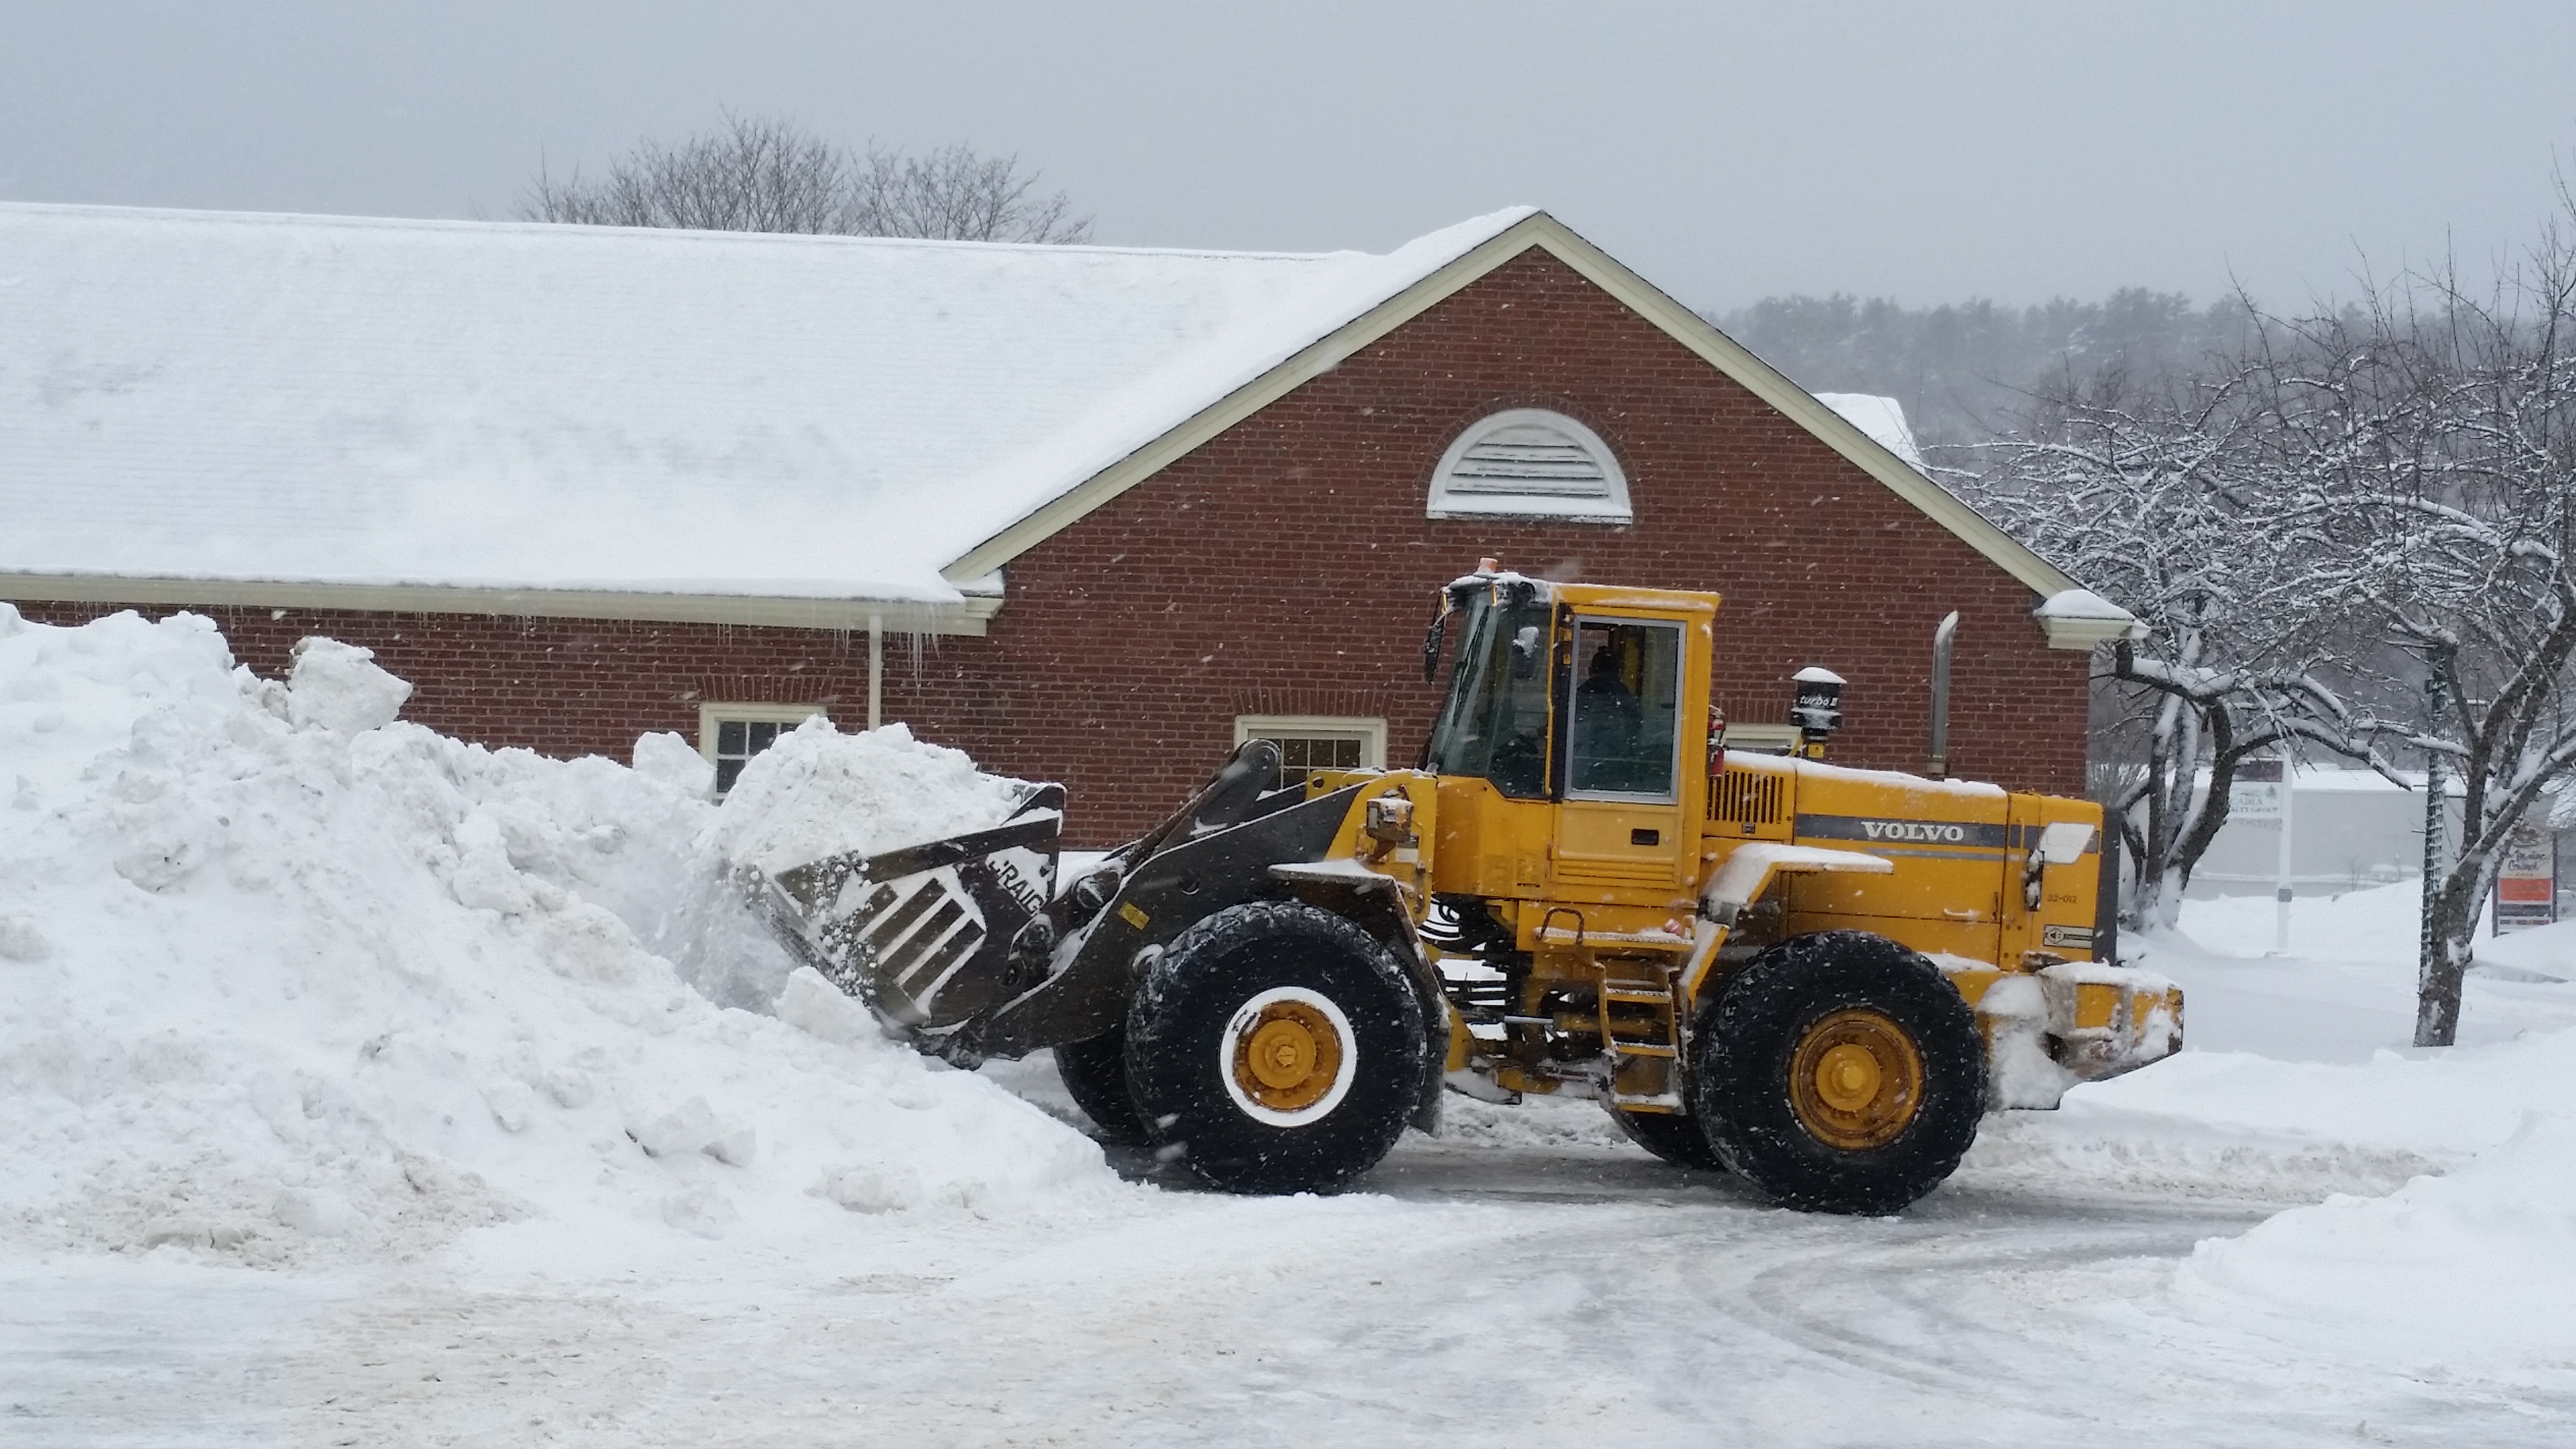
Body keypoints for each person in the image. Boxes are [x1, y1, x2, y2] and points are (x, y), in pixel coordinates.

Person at [1573, 644, 1642, 790]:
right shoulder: (1623, 693)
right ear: (1619, 672)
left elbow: (1566, 719)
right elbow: (1637, 723)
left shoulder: (1585, 691)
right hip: (1617, 760)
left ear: (1591, 670)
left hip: (1584, 760)